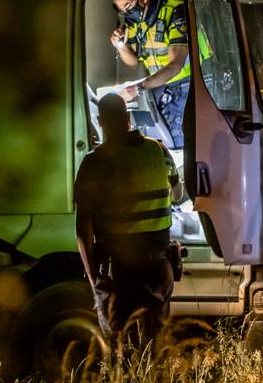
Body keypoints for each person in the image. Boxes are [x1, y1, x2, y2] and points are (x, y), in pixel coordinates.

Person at [74, 94, 183, 341]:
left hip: (120, 271)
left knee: (122, 347)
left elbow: (83, 228)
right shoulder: (159, 150)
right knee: (156, 346)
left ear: (100, 121)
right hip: (159, 268)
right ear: (127, 117)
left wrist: (93, 279)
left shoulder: (95, 162)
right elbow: (177, 195)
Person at [110, 0, 190, 149]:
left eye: (127, 6)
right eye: (122, 10)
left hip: (187, 86)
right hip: (161, 86)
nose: (126, 13)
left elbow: (176, 65)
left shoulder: (176, 12)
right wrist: (119, 45)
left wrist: (139, 87)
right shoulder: (135, 24)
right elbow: (133, 62)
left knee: (178, 142)